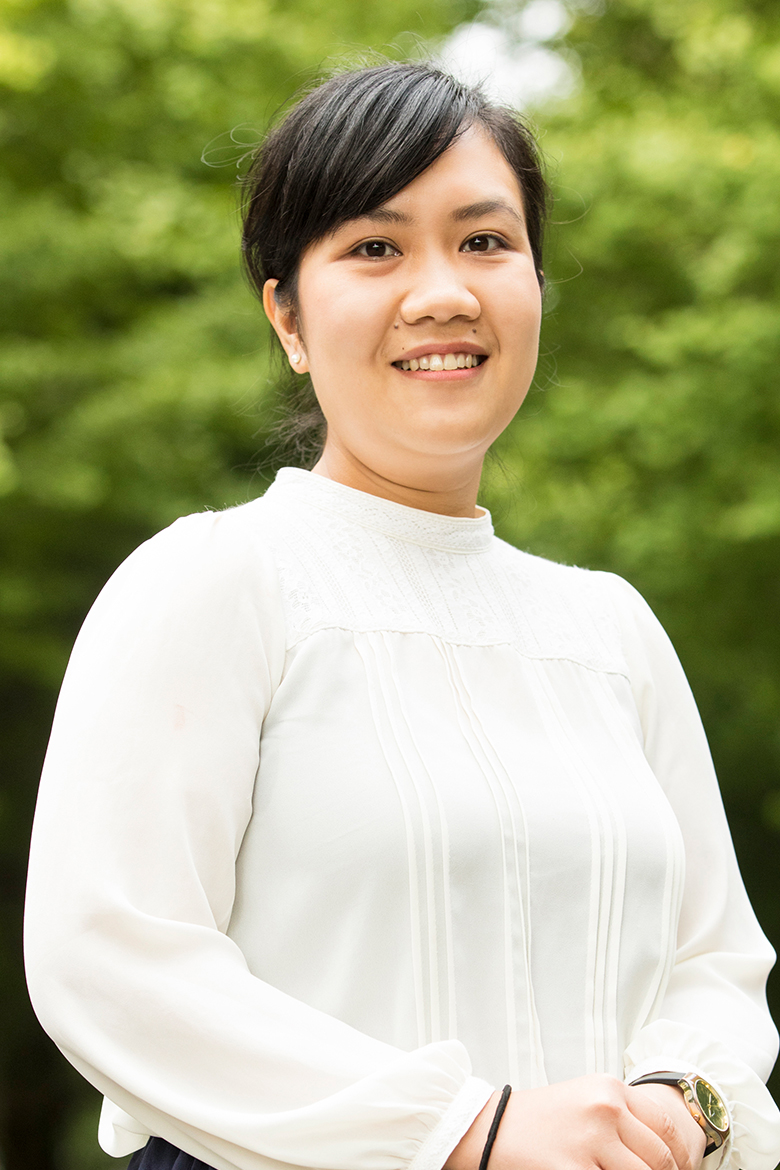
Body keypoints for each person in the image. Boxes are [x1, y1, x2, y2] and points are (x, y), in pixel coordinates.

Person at [23, 62, 780, 1170]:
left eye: (485, 242)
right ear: (287, 315)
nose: (443, 293)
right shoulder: (214, 581)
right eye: (376, 247)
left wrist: (684, 1104)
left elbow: (713, 962)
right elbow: (110, 959)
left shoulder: (611, 630)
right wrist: (468, 1127)